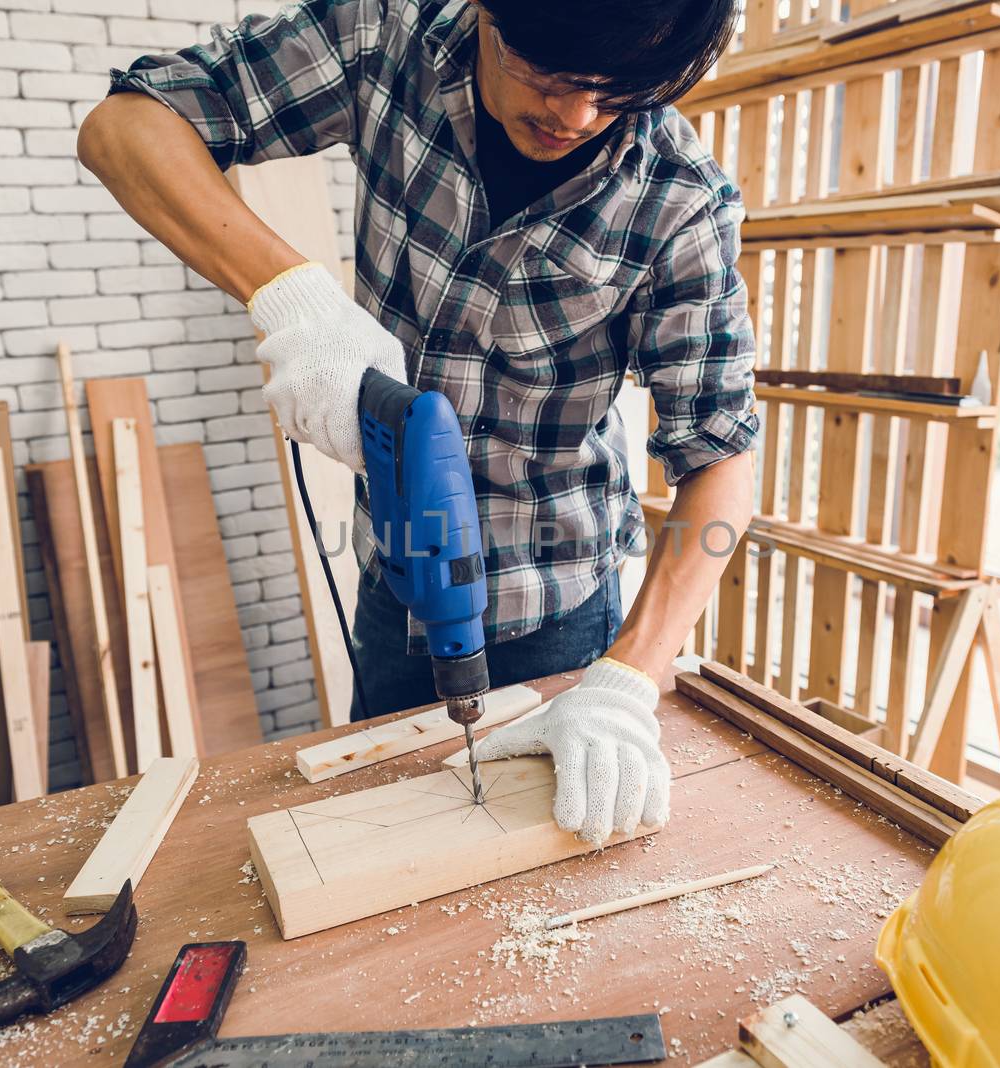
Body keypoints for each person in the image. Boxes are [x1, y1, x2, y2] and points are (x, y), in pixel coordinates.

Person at [78, 0, 757, 846]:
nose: (574, 117)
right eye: (546, 76)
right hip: (396, 591)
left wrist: (627, 681)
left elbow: (722, 460)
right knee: (371, 850)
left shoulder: (680, 198)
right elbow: (124, 128)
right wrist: (292, 296)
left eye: (613, 95)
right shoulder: (384, 36)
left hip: (559, 614)